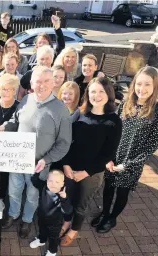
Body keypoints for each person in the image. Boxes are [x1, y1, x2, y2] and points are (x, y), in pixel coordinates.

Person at [0, 66, 72, 238]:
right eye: (38, 81)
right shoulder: (26, 100)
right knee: (13, 191)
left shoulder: (60, 110)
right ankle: (13, 214)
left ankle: (27, 220)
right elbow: (15, 120)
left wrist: (47, 159)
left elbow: (63, 143)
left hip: (39, 165)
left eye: (46, 81)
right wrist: (4, 127)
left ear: (52, 83)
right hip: (18, 160)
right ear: (32, 83)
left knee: (32, 195)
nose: (41, 85)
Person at [93, 66, 158, 233]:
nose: (142, 89)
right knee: (108, 188)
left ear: (155, 86)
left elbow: (150, 146)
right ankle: (105, 212)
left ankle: (112, 218)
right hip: (115, 156)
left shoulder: (155, 111)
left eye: (147, 85)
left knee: (122, 193)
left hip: (132, 162)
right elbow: (114, 131)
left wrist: (128, 165)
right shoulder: (125, 103)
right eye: (139, 83)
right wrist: (109, 157)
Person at [60, 77, 122, 246]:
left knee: (81, 204)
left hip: (92, 173)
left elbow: (108, 154)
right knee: (66, 198)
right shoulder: (80, 113)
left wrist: (86, 173)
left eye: (102, 91)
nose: (97, 95)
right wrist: (65, 164)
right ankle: (66, 221)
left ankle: (74, 228)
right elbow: (65, 139)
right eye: (93, 91)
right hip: (70, 168)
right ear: (88, 94)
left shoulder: (113, 121)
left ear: (109, 94)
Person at [29, 170, 73, 256]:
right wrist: (37, 171)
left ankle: (53, 251)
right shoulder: (44, 187)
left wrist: (64, 198)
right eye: (50, 181)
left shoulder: (63, 195)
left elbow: (68, 210)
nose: (53, 184)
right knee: (42, 230)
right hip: (42, 217)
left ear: (62, 183)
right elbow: (34, 181)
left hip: (55, 223)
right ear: (46, 180)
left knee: (54, 238)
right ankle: (42, 240)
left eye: (57, 182)